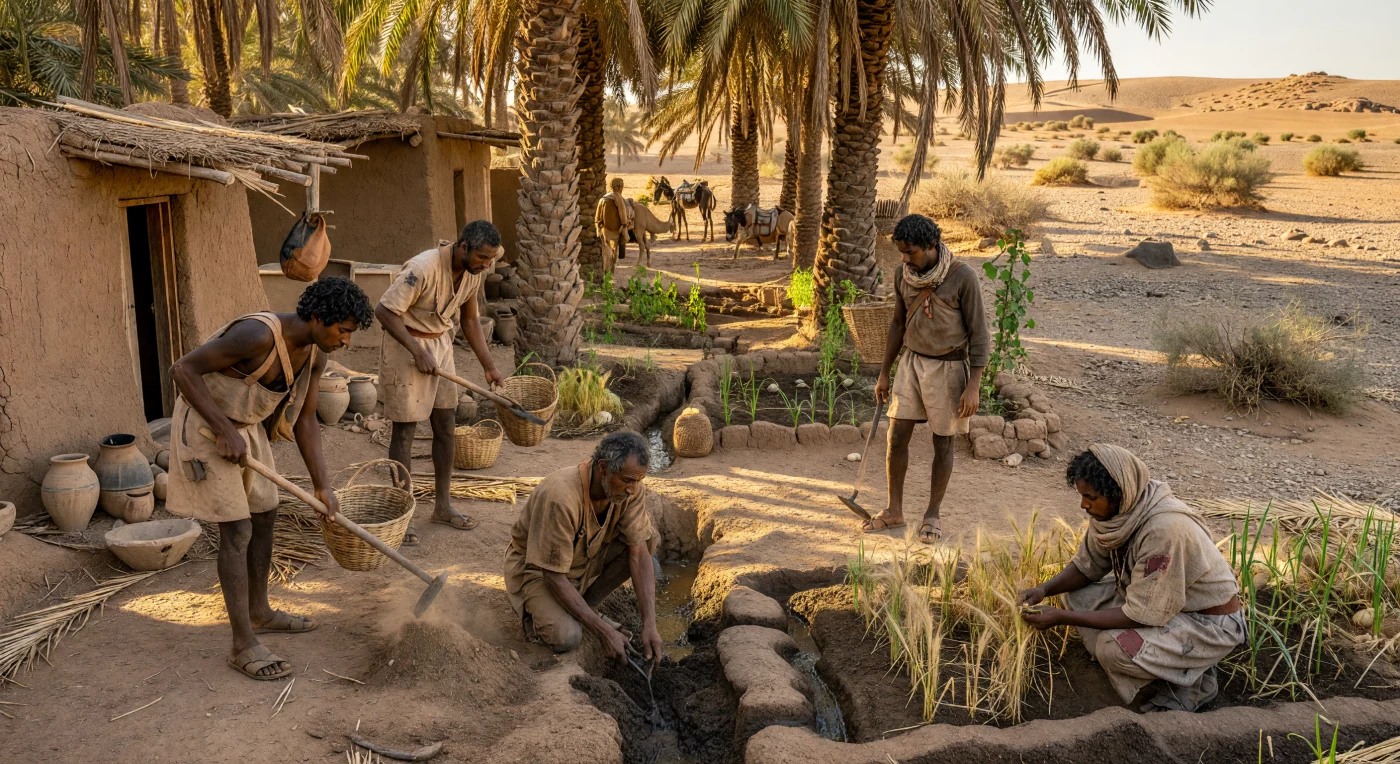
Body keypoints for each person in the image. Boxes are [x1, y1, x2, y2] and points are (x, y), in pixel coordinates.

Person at [167, 277, 374, 680]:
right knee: (237, 530)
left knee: (265, 514)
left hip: (245, 430)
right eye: (344, 330)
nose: (347, 340)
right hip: (206, 429)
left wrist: (322, 485)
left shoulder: (315, 356)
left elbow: (307, 419)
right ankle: (242, 644)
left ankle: (259, 612)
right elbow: (183, 370)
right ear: (317, 317)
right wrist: (224, 430)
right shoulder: (256, 335)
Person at [1018, 445, 1245, 712]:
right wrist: (1044, 590)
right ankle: (1161, 664)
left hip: (1206, 623)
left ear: (1118, 493)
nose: (1083, 505)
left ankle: (1191, 683)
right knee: (1078, 594)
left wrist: (1060, 618)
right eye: (1081, 496)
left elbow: (1139, 615)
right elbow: (1086, 568)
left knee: (1112, 648)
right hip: (1163, 605)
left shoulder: (1164, 530)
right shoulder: (1117, 514)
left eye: (1090, 497)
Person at [376, 220, 504, 544]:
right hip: (406, 346)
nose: (486, 265)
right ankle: (401, 513)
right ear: (464, 248)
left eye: (491, 260)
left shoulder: (472, 275)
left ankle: (443, 506)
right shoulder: (422, 268)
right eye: (482, 258)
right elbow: (385, 311)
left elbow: (471, 319)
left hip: (440, 345)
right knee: (404, 430)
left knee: (446, 425)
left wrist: (489, 366)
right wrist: (417, 351)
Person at [868, 214, 989, 543]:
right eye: (902, 253)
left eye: (911, 253)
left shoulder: (962, 277)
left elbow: (979, 335)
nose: (905, 259)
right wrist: (884, 372)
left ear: (932, 246)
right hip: (911, 364)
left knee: (943, 442)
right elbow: (897, 323)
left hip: (949, 368)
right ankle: (894, 510)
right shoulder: (902, 274)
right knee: (896, 437)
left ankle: (932, 515)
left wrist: (973, 384)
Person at [504, 431, 663, 666]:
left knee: (646, 542)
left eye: (638, 481)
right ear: (603, 468)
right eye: (627, 480)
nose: (633, 489)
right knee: (566, 637)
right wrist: (603, 631)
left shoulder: (630, 491)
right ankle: (537, 616)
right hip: (538, 569)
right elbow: (553, 576)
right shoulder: (561, 497)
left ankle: (586, 606)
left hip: (582, 558)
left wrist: (649, 623)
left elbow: (639, 555)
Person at [595, 176, 633, 272]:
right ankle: (611, 271)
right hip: (616, 231)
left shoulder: (603, 199)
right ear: (619, 187)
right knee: (614, 251)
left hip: (604, 230)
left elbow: (597, 217)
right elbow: (622, 214)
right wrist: (625, 225)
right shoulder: (618, 198)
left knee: (605, 251)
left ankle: (605, 270)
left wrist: (599, 227)